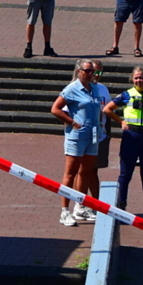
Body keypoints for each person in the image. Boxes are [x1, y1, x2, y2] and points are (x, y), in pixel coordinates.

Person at [103, 66, 143, 221]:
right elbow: (107, 109)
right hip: (131, 136)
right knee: (125, 174)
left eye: (141, 77)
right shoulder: (127, 95)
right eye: (136, 78)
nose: (139, 80)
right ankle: (121, 207)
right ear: (132, 79)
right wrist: (121, 121)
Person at [50, 59, 103, 227]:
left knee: (86, 172)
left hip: (92, 135)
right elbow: (55, 109)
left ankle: (80, 206)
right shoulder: (72, 89)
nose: (90, 73)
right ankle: (64, 211)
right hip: (77, 136)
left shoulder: (95, 88)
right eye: (87, 71)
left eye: (92, 71)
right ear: (79, 71)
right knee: (70, 173)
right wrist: (71, 122)